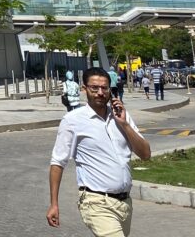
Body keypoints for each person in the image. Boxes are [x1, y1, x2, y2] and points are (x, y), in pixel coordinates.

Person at [46, 67, 151, 236]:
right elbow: (58, 163)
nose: (100, 93)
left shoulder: (121, 116)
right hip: (96, 202)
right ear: (85, 89)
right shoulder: (72, 120)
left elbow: (145, 154)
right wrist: (54, 204)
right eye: (94, 88)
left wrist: (124, 124)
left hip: (124, 203)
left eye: (104, 88)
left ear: (111, 89)